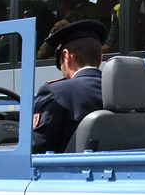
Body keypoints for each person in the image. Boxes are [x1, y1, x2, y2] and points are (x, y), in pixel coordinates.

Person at [32, 19, 105, 153]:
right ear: (100, 59)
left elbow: (37, 148)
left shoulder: (55, 92)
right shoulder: (123, 93)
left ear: (66, 56)